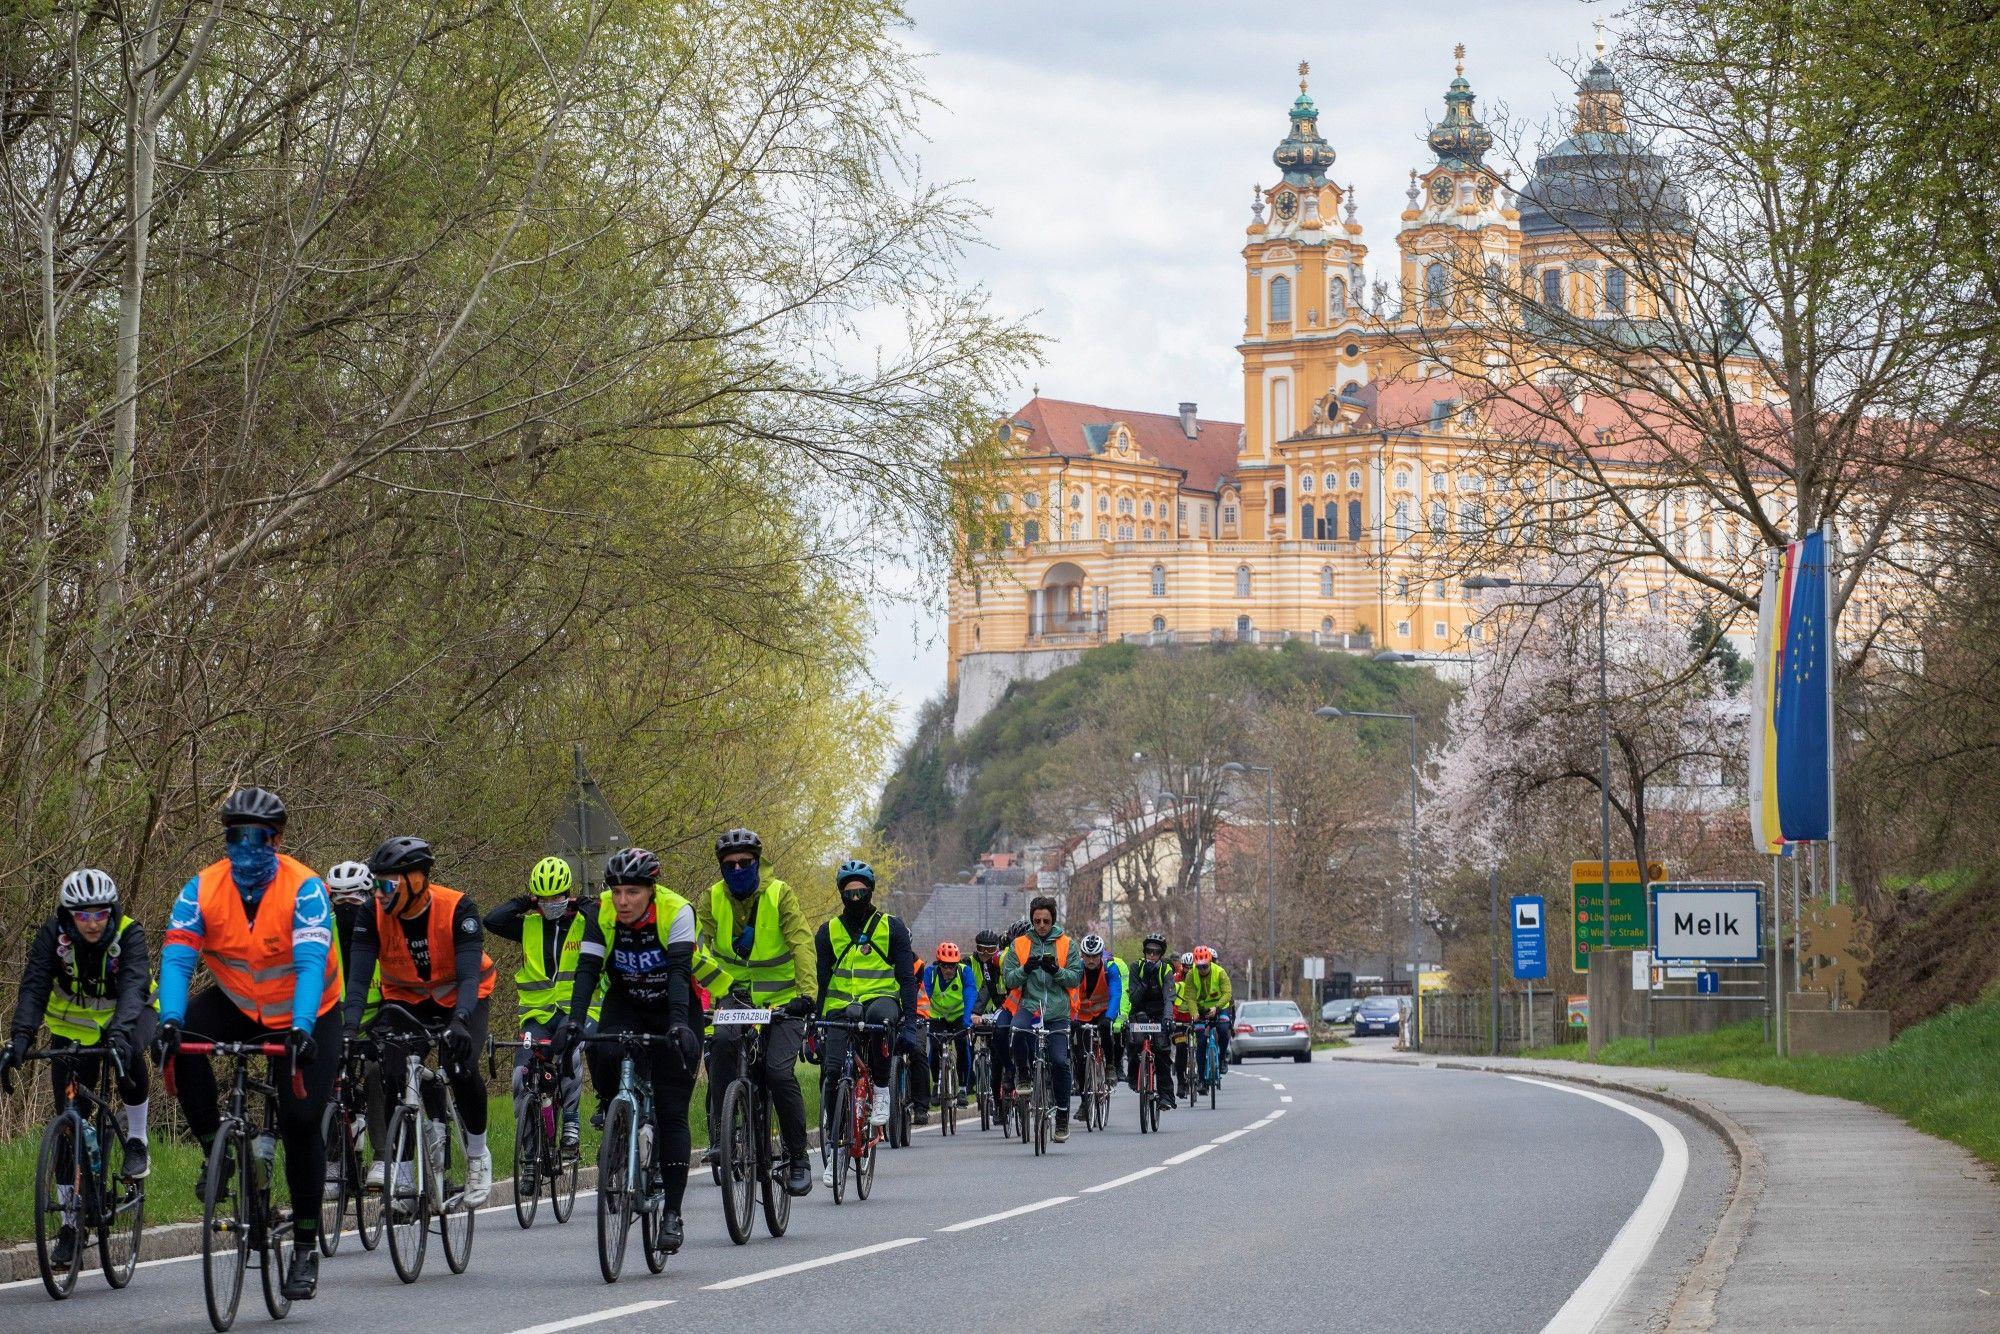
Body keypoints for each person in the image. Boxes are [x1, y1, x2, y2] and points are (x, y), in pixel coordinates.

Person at [156, 787, 341, 1300]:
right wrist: (167, 1019)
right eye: (235, 836)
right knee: (185, 1032)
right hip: (240, 1003)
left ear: (277, 840)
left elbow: (308, 965)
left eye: (257, 837)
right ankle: (216, 1146)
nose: (245, 847)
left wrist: (302, 1027)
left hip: (309, 1012)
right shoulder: (202, 888)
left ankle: (305, 1244)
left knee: (302, 1120)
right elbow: (176, 959)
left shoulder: (303, 888)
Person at [0, 869, 157, 1269]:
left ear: (111, 910)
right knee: (68, 1126)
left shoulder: (129, 934)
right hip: (71, 1030)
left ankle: (137, 1138)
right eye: (82, 914)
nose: (91, 922)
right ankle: (71, 1225)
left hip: (130, 1017)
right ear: (68, 914)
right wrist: (19, 1040)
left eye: (99, 913)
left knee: (129, 1062)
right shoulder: (52, 936)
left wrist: (120, 1035)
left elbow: (136, 985)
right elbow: (34, 987)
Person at [558, 848, 701, 1257]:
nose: (622, 901)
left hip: (673, 1007)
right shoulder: (600, 913)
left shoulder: (677, 911)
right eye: (616, 891)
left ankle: (672, 1213)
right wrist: (573, 1019)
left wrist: (677, 1023)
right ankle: (612, 1104)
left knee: (673, 1111)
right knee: (599, 1045)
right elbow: (586, 972)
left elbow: (678, 974)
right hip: (627, 1002)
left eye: (632, 892)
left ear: (651, 891)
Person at [342, 836, 496, 1208]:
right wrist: (347, 1028)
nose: (378, 892)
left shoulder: (457, 908)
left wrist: (459, 1020)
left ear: (416, 879)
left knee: (460, 1065)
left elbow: (470, 975)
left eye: (386, 883)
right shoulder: (371, 914)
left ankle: (478, 1154)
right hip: (406, 1000)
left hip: (460, 998)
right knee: (391, 1070)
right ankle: (406, 1171)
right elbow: (359, 979)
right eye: (376, 883)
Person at [696, 828, 817, 1197]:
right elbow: (694, 948)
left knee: (778, 1073)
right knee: (721, 1048)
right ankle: (720, 1135)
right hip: (736, 997)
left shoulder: (780, 894)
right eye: (729, 864)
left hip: (783, 1001)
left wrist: (808, 994)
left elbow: (801, 942)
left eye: (744, 863)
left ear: (757, 862)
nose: (737, 869)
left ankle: (799, 1157)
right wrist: (716, 986)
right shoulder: (711, 898)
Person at [814, 860, 921, 1184]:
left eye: (861, 890)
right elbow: (820, 982)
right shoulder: (827, 931)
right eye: (849, 891)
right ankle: (834, 1151)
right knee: (832, 1072)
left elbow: (906, 978)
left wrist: (911, 1022)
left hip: (881, 999)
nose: (855, 897)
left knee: (879, 1022)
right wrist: (815, 1026)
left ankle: (881, 1087)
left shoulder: (892, 927)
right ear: (841, 894)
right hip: (838, 1005)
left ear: (871, 891)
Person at [484, 856, 591, 1158]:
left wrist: (581, 903)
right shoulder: (529, 925)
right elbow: (491, 920)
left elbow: (604, 920)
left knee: (570, 1052)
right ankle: (530, 1151)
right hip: (536, 1016)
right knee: (521, 1073)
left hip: (572, 1011)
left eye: (556, 896)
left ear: (567, 893)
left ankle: (571, 1123)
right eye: (544, 897)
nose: (550, 903)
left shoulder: (582, 924)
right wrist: (526, 902)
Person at [324, 859, 389, 1196]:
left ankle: (382, 1156)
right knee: (324, 1077)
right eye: (339, 900)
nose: (347, 908)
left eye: (355, 900)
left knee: (380, 1074)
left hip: (378, 1023)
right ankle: (334, 1161)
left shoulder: (384, 928)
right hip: (337, 1022)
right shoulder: (323, 934)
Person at [999, 895, 1083, 1142]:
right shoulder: (1020, 944)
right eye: (1037, 921)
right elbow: (1009, 979)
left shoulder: (1068, 944)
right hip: (1031, 1007)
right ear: (1032, 920)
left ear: (1053, 920)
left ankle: (1062, 1118)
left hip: (1057, 1011)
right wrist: (1026, 969)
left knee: (1059, 1062)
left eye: (1046, 920)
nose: (1042, 925)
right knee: (1017, 1030)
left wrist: (1056, 970)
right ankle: (1023, 1074)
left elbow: (1075, 978)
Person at [1067, 933, 1122, 1121]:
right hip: (1081, 1015)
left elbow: (1116, 994)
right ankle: (1084, 1101)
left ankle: (1111, 1066)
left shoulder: (1110, 969)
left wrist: (1110, 1017)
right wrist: (1072, 1016)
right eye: (1087, 956)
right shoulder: (1076, 969)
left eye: (1094, 956)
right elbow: (1071, 993)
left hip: (1102, 1014)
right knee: (1080, 1058)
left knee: (1106, 1029)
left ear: (1101, 955)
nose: (1091, 960)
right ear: (1082, 955)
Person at [916, 941, 977, 1107]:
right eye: (945, 965)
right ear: (939, 963)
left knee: (962, 1046)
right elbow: (925, 996)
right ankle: (936, 1083)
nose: (949, 970)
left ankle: (963, 1088)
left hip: (959, 1016)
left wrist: (966, 1020)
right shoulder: (930, 973)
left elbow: (970, 994)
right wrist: (922, 1016)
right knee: (935, 1047)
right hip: (937, 1016)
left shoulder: (965, 972)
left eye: (952, 966)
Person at [1124, 933, 1178, 1108]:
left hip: (1160, 1011)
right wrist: (1146, 979)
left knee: (1162, 1053)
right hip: (1140, 1010)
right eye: (1149, 951)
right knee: (1133, 1045)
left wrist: (1168, 1018)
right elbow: (1134, 998)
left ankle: (1166, 1097)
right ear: (1144, 952)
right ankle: (1133, 1077)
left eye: (1156, 952)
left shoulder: (1166, 970)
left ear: (1161, 954)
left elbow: (1169, 998)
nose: (1152, 955)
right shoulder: (1136, 967)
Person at [1184, 945, 1235, 1072]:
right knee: (1200, 1042)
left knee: (1223, 1029)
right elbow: (1190, 997)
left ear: (1210, 962)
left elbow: (1227, 993)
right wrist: (1194, 1012)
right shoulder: (1191, 975)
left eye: (1205, 966)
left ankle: (1222, 1058)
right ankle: (1201, 1079)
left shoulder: (1220, 972)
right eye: (1199, 967)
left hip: (1219, 1007)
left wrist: (1217, 1007)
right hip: (1201, 1010)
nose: (1202, 970)